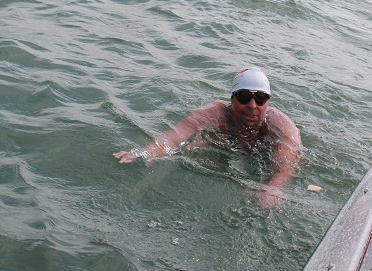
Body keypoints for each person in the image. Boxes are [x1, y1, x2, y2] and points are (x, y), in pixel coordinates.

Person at [115, 67, 302, 208]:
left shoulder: (281, 126)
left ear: (268, 101)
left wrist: (273, 188)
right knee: (194, 151)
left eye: (260, 98)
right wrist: (147, 152)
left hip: (263, 153)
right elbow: (175, 137)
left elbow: (286, 166)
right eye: (244, 97)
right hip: (227, 146)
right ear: (232, 98)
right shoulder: (215, 113)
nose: (253, 105)